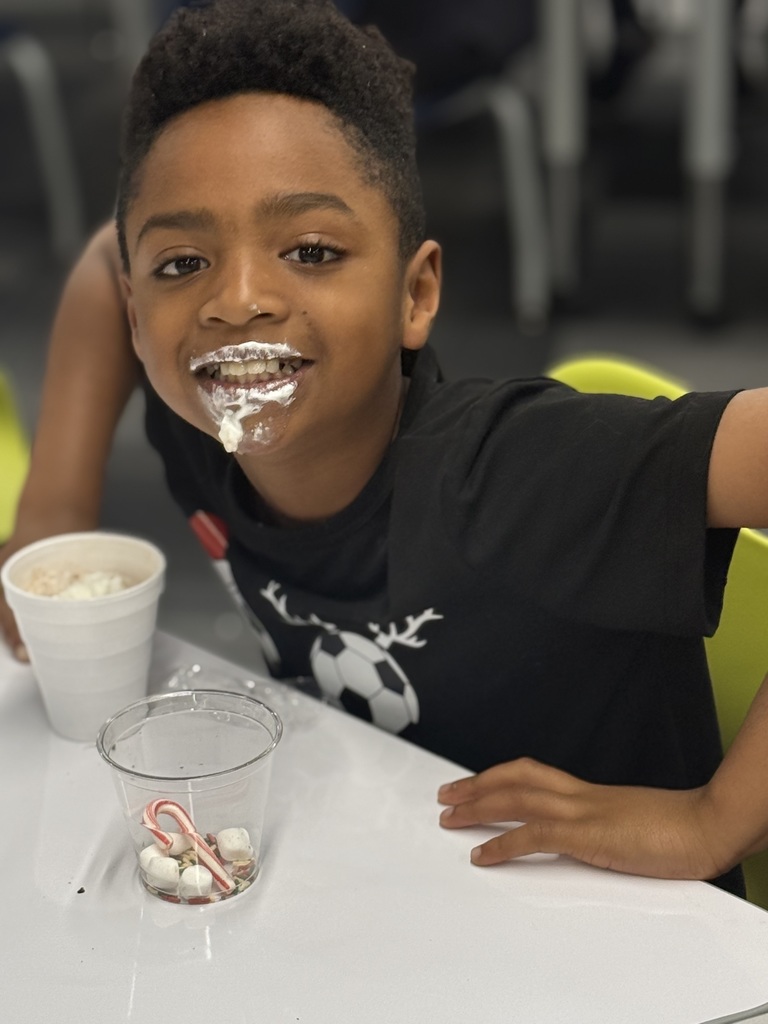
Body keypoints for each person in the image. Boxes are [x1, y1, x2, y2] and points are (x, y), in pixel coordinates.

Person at [2, 0, 768, 895]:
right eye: (185, 264)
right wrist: (52, 507)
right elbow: (109, 258)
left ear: (416, 294)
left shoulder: (515, 472)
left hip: (629, 934)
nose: (237, 297)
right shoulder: (203, 424)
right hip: (397, 875)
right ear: (142, 318)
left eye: (312, 250)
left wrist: (716, 820)